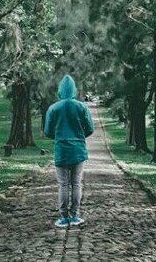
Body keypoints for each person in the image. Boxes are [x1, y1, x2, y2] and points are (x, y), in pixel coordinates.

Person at [44, 74, 95, 228]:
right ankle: (75, 215)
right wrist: (79, 137)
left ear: (60, 90)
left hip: (61, 150)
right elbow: (90, 129)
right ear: (74, 89)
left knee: (63, 185)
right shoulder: (82, 107)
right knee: (77, 183)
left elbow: (47, 131)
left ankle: (63, 217)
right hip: (78, 151)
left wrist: (59, 137)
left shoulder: (53, 108)